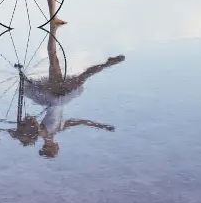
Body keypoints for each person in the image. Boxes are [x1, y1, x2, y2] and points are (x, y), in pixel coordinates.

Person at [10, 27, 125, 158]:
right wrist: (101, 126)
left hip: (53, 96)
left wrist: (21, 135)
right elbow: (82, 122)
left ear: (51, 147)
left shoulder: (46, 134)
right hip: (59, 96)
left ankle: (53, 29)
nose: (57, 148)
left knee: (65, 66)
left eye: (54, 150)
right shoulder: (59, 129)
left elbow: (37, 132)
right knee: (75, 73)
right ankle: (106, 64)